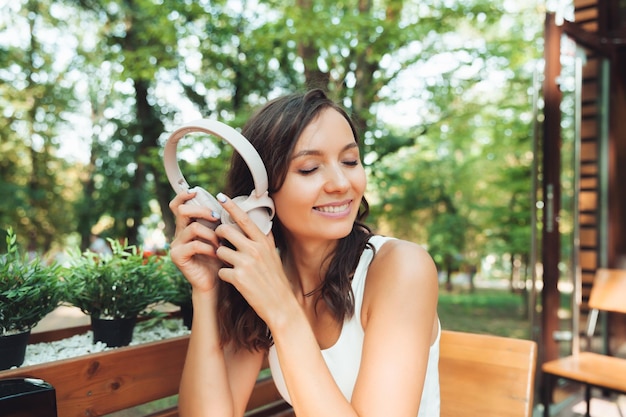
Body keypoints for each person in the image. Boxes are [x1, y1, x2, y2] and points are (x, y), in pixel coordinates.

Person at [169, 89, 440, 417]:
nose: (341, 183)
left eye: (350, 161)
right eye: (310, 168)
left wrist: (282, 311)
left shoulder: (402, 268)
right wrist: (207, 291)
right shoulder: (264, 276)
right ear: (259, 197)